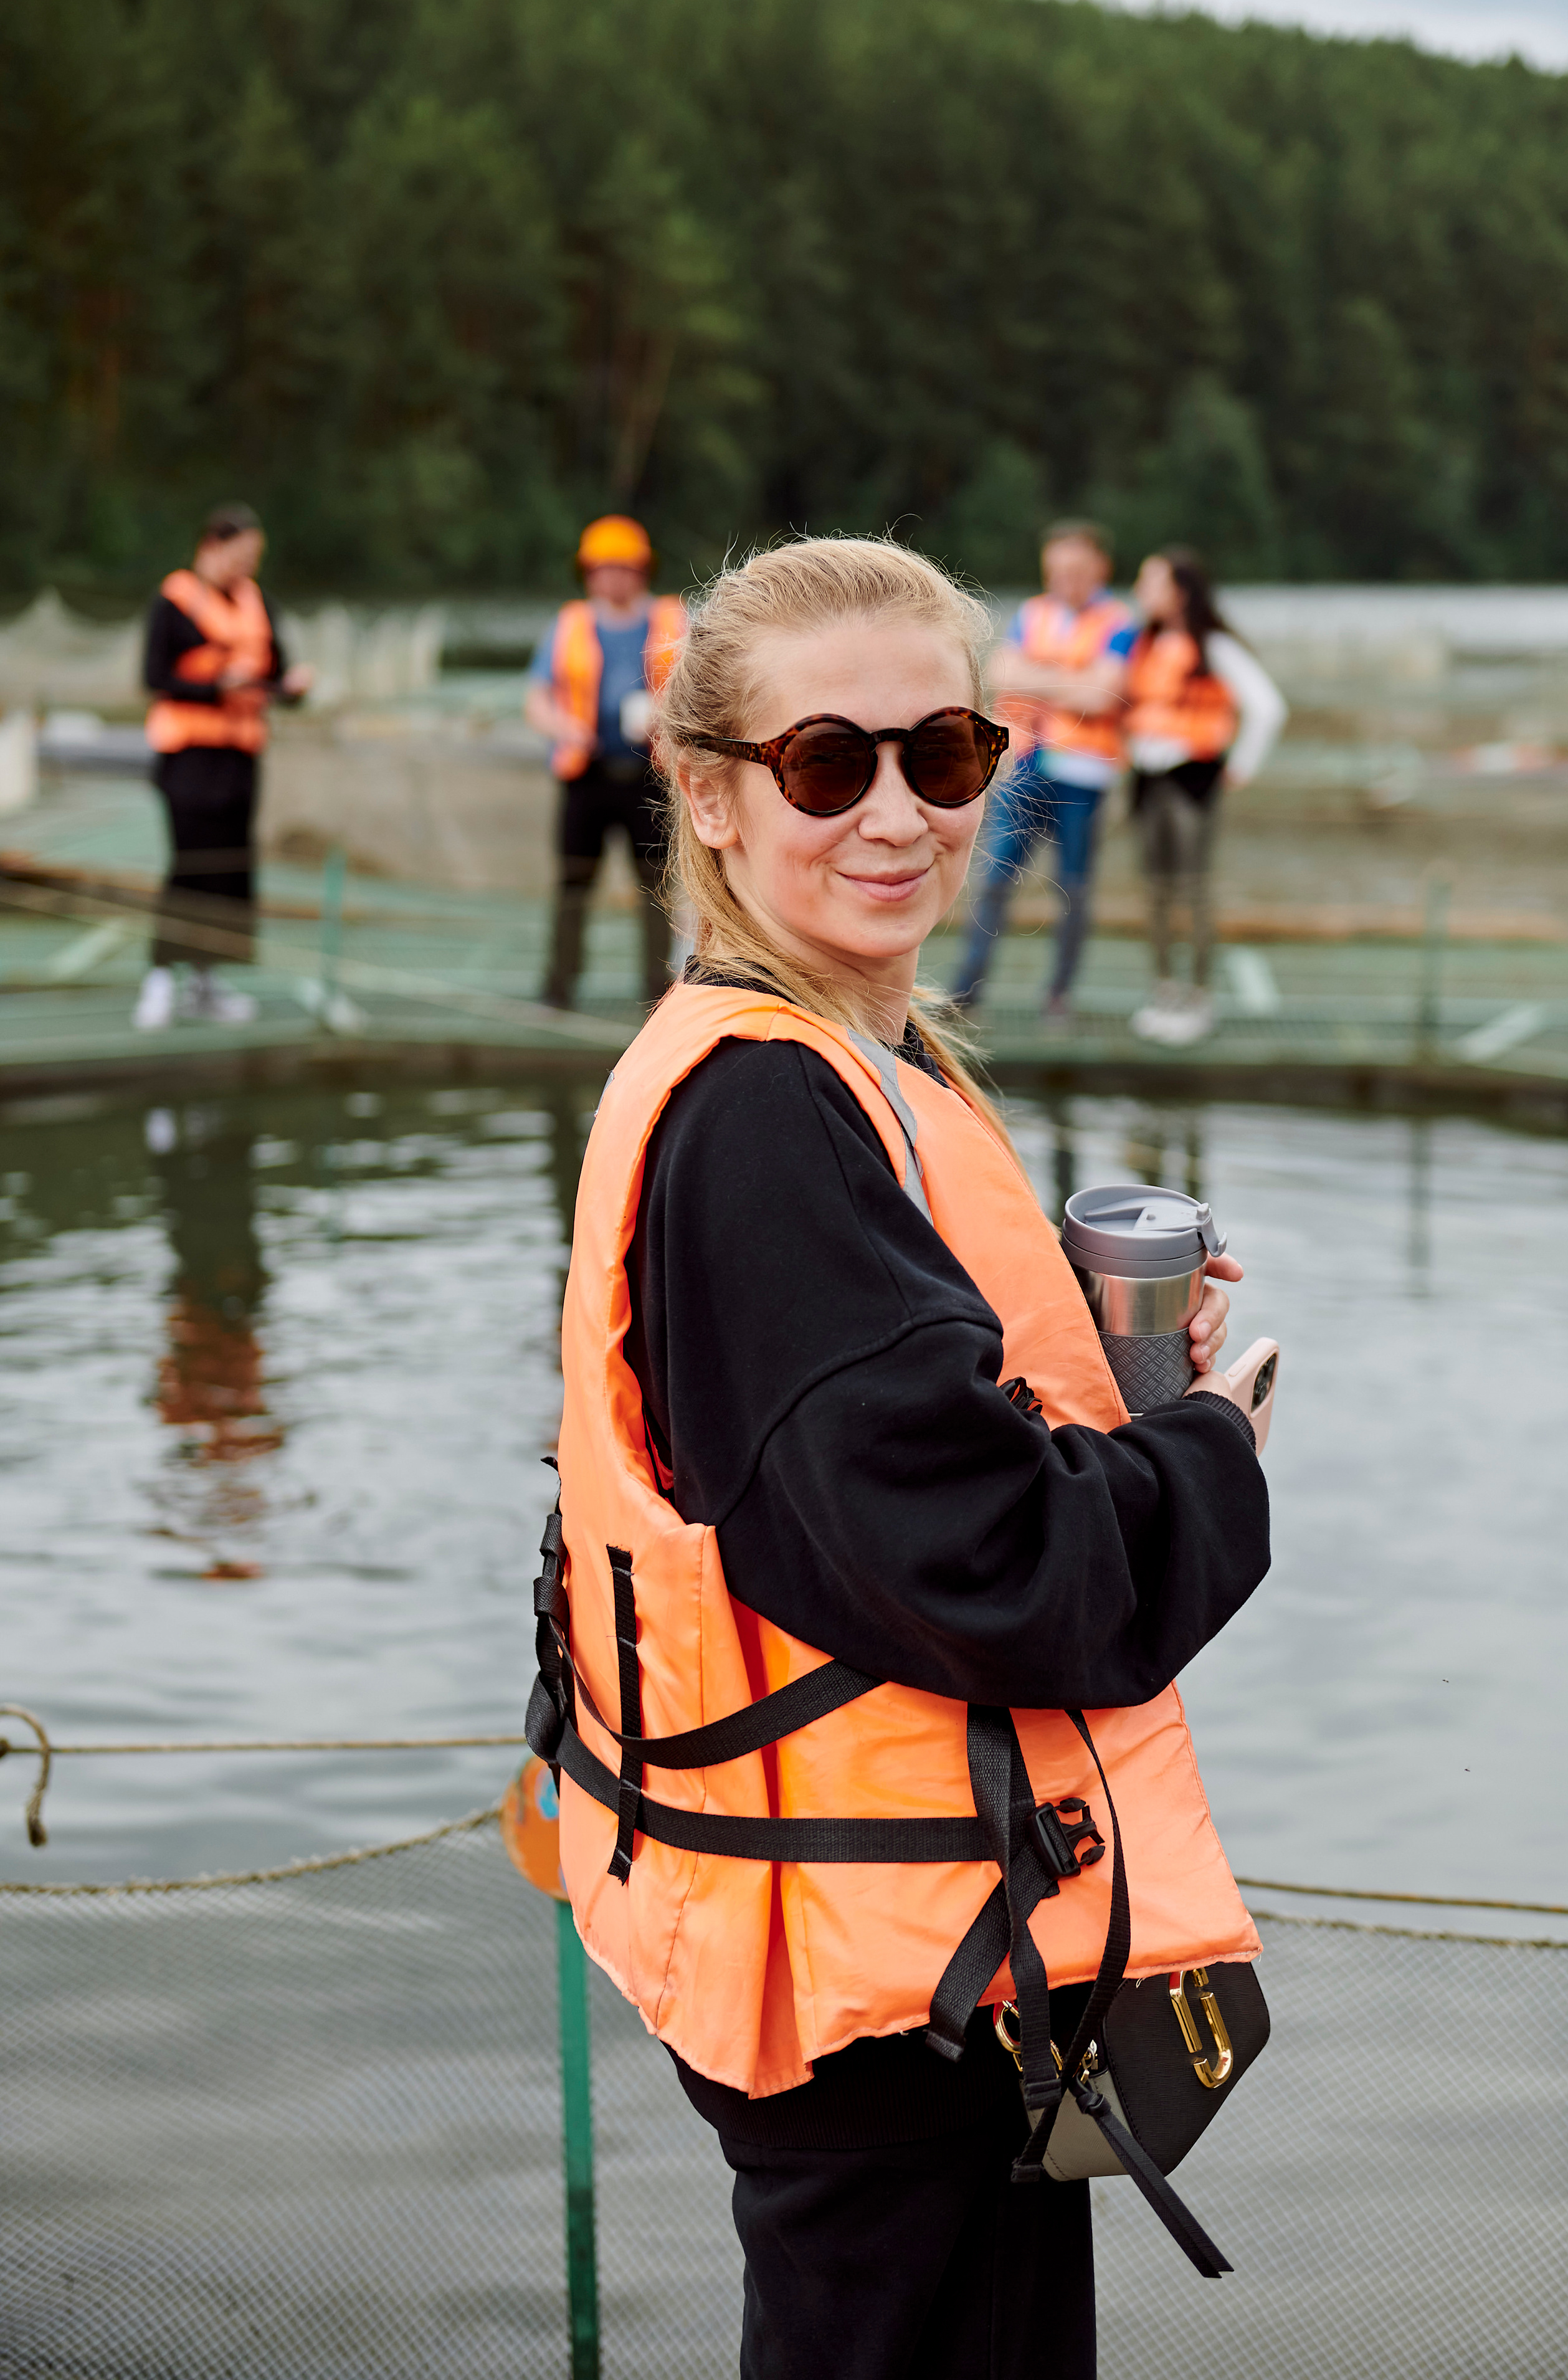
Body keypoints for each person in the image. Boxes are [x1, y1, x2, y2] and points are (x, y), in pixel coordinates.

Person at [530, 538, 1273, 2379]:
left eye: (940, 756)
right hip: (888, 2005)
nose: (892, 812)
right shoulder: (771, 1113)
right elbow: (993, 1566)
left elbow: (854, 1469)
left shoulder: (825, 1063)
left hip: (886, 1962)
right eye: (822, 762)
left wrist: (1106, 1388)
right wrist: (1210, 1451)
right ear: (706, 792)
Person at [133, 504, 313, 1031]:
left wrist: (295, 687)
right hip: (189, 758)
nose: (248, 566)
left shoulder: (260, 604)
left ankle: (207, 980)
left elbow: (276, 675)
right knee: (189, 865)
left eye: (255, 557)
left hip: (240, 757)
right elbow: (154, 676)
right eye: (242, 554)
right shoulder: (174, 603)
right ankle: (161, 977)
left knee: (229, 869)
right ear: (212, 546)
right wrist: (215, 687)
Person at [952, 520, 1136, 1021]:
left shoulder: (1119, 622)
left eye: (1076, 569)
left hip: (1083, 773)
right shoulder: (1033, 614)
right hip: (1025, 763)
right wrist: (1070, 680)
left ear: (1100, 567)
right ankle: (967, 990)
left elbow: (1101, 696)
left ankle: (1059, 996)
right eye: (1057, 569)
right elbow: (1000, 672)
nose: (1065, 579)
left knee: (1073, 887)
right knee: (994, 877)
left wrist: (1039, 677)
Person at [1124, 547, 1286, 1048]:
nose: (1140, 592)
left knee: (1193, 889)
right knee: (1155, 889)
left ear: (1180, 592)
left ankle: (1198, 996)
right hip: (1147, 780)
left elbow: (1268, 707)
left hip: (1193, 779)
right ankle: (1163, 990)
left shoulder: (1214, 647)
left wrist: (1242, 766)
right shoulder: (1145, 647)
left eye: (1150, 583)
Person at [523, 516, 688, 1008]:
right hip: (585, 774)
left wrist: (668, 714)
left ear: (642, 571)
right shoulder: (569, 623)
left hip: (652, 775)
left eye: (624, 568)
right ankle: (560, 987)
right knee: (573, 881)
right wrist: (562, 727)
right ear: (589, 573)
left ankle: (658, 995)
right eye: (603, 568)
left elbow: (707, 686)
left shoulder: (673, 620)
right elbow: (537, 697)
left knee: (657, 887)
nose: (614, 578)